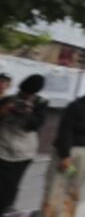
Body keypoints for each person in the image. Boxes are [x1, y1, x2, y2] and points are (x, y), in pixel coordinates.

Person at [42, 72, 85, 217]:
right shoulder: (75, 105)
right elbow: (65, 129)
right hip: (67, 151)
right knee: (55, 187)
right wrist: (65, 155)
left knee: (74, 189)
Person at [0, 74, 47, 213]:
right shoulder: (7, 100)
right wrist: (4, 110)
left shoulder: (40, 104)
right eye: (23, 93)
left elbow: (35, 126)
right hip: (2, 149)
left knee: (10, 187)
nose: (24, 97)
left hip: (22, 153)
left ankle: (5, 209)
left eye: (29, 94)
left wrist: (28, 112)